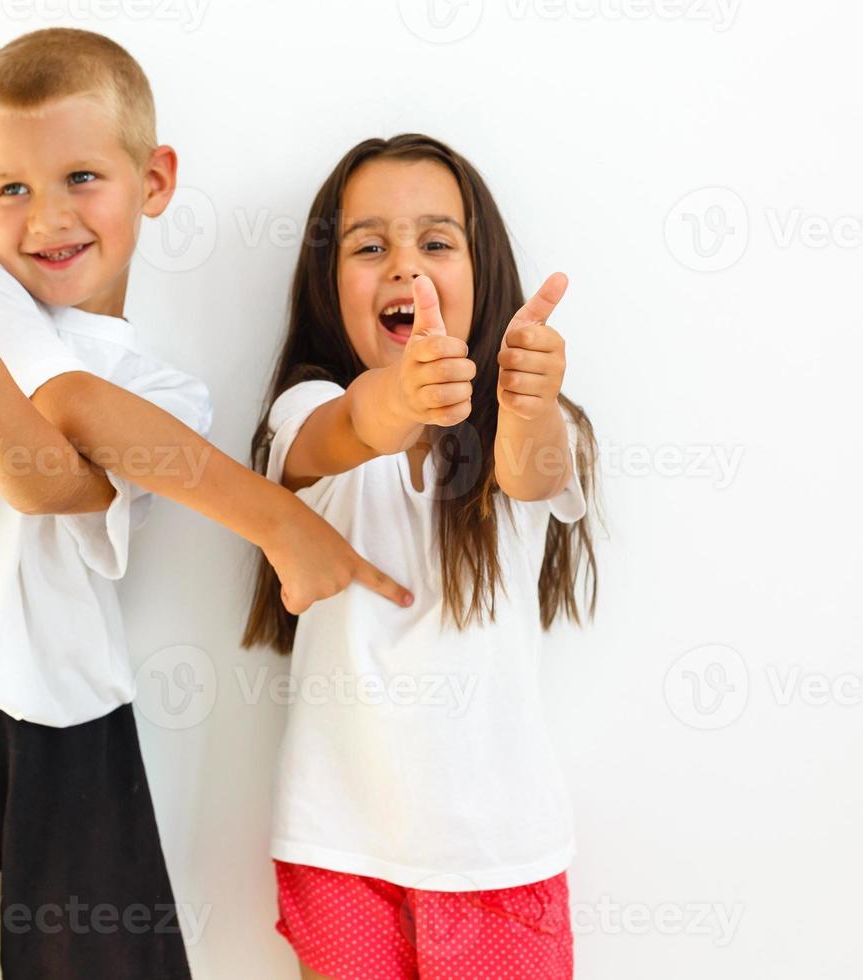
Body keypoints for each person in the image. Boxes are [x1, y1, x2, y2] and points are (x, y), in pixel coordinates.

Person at [0, 29, 410, 980]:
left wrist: (17, 403)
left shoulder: (170, 398)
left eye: (81, 177)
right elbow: (43, 454)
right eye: (12, 188)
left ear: (154, 180)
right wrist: (280, 522)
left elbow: (66, 469)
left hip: (71, 713)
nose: (46, 216)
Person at [243, 133, 599, 980]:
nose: (404, 266)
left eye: (436, 242)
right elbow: (353, 426)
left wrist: (526, 401)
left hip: (500, 855)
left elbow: (532, 467)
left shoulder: (539, 423)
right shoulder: (304, 412)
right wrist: (402, 395)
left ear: (486, 273)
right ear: (331, 286)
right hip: (340, 847)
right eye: (370, 247)